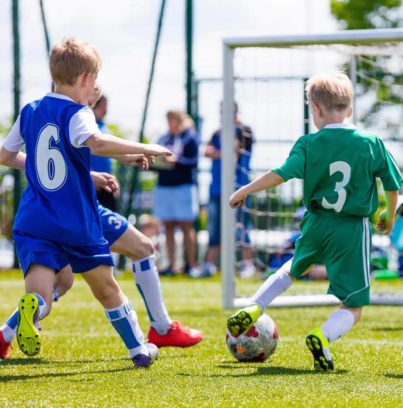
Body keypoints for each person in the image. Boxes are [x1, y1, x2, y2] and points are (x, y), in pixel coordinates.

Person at [0, 38, 172, 368]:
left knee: (42, 294)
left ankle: (33, 309)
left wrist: (72, 171)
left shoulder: (30, 111)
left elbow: (6, 156)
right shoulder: (77, 112)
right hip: (74, 220)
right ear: (85, 78)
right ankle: (139, 349)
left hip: (34, 221)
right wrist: (147, 148)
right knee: (107, 289)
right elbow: (97, 142)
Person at [225, 73, 403, 371]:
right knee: (354, 305)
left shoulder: (308, 143)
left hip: (316, 221)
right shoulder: (371, 143)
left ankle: (255, 305)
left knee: (294, 267)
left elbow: (280, 174)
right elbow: (392, 183)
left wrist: (245, 190)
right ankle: (323, 336)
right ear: (349, 109)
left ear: (316, 109)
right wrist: (390, 214)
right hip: (351, 228)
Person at [203, 103, 255, 277]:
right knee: (214, 228)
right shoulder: (216, 133)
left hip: (239, 188)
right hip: (217, 189)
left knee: (242, 226)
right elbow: (207, 152)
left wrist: (220, 151)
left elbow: (235, 149)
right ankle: (209, 265)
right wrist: (220, 152)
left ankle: (247, 264)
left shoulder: (245, 130)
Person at [153, 110, 201, 276]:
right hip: (164, 186)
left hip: (183, 187)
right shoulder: (163, 139)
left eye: (172, 119)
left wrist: (176, 161)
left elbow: (193, 161)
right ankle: (172, 265)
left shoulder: (190, 137)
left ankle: (191, 265)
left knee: (186, 226)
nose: (170, 122)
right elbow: (154, 160)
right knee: (168, 227)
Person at [90, 94, 117, 211]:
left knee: (111, 216)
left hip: (105, 182)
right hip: (91, 181)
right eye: (103, 106)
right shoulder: (86, 126)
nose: (106, 110)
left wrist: (113, 179)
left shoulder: (104, 127)